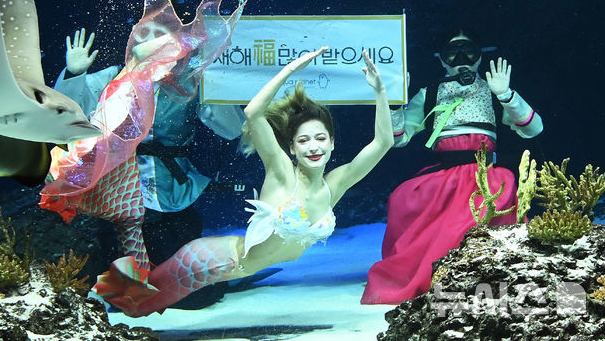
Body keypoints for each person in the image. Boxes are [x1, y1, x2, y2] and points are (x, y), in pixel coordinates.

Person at [92, 47, 394, 317]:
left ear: (332, 143)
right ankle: (89, 294)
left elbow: (383, 142)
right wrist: (290, 70)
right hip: (210, 260)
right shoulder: (282, 172)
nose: (313, 147)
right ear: (292, 148)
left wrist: (380, 91)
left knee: (138, 303)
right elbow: (253, 112)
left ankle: (105, 290)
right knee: (134, 305)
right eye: (304, 141)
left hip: (229, 270)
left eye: (320, 139)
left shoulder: (335, 185)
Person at [54, 27, 247, 307]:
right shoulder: (113, 78)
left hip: (172, 189)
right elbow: (69, 111)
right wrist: (75, 74)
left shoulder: (189, 84)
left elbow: (231, 129)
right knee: (120, 285)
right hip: (119, 186)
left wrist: (213, 87)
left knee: (190, 291)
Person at [361, 28, 543, 305]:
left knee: (494, 202)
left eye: (468, 52)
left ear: (480, 56)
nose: (461, 60)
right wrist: (395, 103)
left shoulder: (493, 92)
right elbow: (398, 139)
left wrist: (506, 95)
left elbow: (533, 129)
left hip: (486, 177)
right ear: (441, 59)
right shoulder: (429, 93)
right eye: (452, 53)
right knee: (401, 200)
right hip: (443, 177)